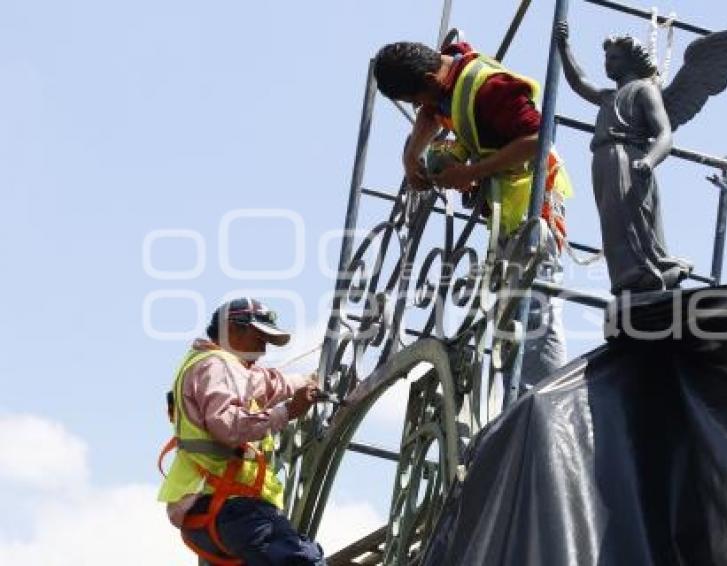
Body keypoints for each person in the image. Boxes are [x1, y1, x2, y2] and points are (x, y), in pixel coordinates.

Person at [373, 40, 574, 387]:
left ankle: (544, 404)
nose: (419, 108)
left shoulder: (491, 90)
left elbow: (540, 139)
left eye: (415, 98)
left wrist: (471, 173)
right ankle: (520, 402)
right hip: (507, 213)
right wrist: (411, 157)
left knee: (535, 312)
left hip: (533, 211)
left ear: (429, 80)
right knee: (510, 316)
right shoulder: (448, 68)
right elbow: (432, 111)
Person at [157, 297, 325, 566]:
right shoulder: (218, 365)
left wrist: (303, 382)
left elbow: (267, 383)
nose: (264, 349)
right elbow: (228, 425)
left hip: (210, 513)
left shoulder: (214, 364)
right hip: (229, 507)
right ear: (232, 329)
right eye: (259, 338)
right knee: (302, 561)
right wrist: (288, 412)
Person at [555, 22, 692, 295]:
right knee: (613, 223)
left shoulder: (644, 90)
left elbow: (665, 133)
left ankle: (647, 272)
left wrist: (650, 161)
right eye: (606, 58)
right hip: (604, 160)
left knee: (631, 219)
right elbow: (578, 81)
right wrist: (564, 46)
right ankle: (628, 277)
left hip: (627, 157)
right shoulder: (608, 96)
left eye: (614, 58)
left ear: (631, 61)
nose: (607, 63)